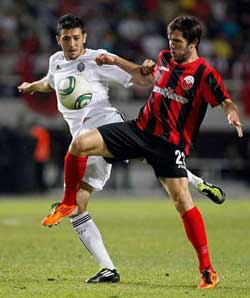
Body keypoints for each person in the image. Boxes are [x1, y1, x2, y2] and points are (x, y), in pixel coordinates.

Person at [18, 14, 228, 285]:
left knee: (140, 154)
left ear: (85, 38)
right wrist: (32, 87)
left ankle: (192, 183)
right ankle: (108, 269)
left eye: (77, 38)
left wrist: (140, 68)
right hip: (85, 140)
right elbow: (50, 82)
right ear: (58, 40)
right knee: (81, 206)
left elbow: (140, 81)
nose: (72, 44)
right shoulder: (56, 61)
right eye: (66, 39)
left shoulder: (97, 58)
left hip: (106, 125)